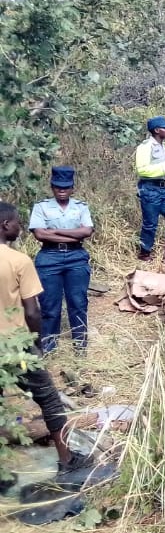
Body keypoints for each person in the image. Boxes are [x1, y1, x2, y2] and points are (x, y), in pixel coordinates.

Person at [0, 202, 86, 472]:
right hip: (16, 345)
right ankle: (67, 458)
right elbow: (33, 311)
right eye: (16, 222)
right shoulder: (18, 261)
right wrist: (36, 342)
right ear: (5, 226)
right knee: (48, 398)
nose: (19, 226)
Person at [28, 166, 94, 354]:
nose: (62, 190)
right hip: (49, 257)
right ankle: (49, 346)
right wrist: (73, 235)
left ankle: (80, 345)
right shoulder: (41, 207)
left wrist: (55, 231)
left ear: (72, 187)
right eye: (58, 187)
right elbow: (40, 234)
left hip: (76, 257)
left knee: (78, 303)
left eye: (66, 187)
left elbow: (87, 231)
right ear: (52, 187)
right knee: (49, 305)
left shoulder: (81, 207)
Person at [135, 115, 165, 264]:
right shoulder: (145, 147)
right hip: (149, 189)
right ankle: (144, 254)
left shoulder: (163, 147)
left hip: (164, 190)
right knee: (150, 224)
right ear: (157, 130)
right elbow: (142, 171)